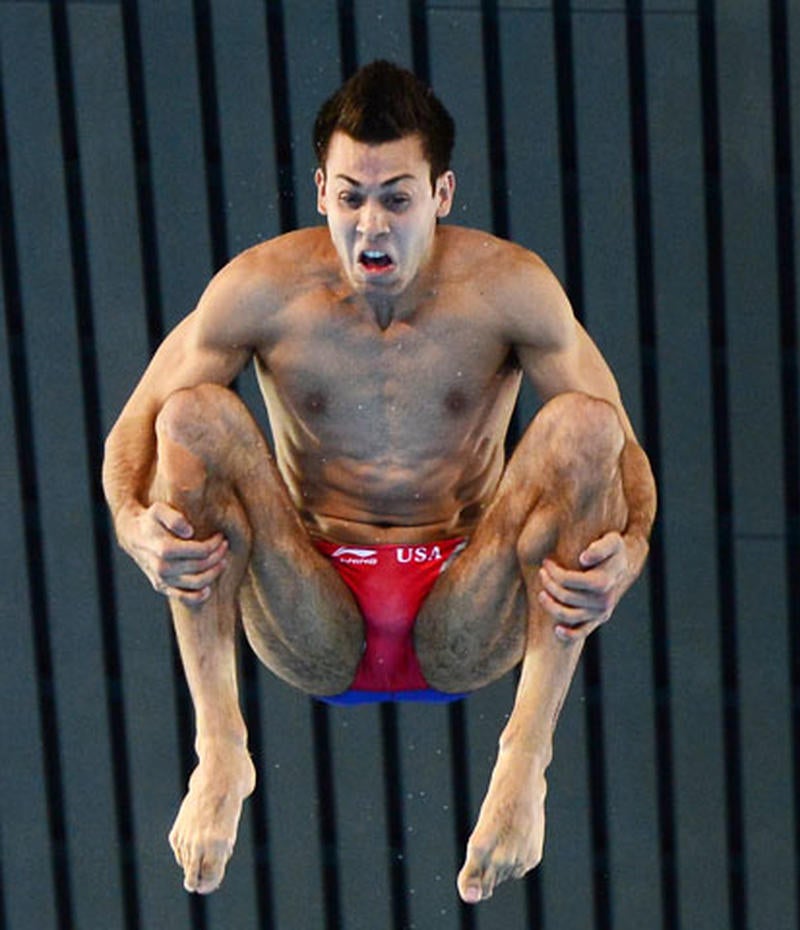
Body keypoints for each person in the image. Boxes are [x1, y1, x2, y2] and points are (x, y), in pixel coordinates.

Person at [101, 60, 655, 904]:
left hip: (467, 607)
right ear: (320, 189)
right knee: (189, 418)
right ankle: (220, 749)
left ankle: (526, 761)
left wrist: (634, 547)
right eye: (351, 197)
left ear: (441, 194)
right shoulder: (262, 289)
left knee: (585, 427)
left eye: (397, 197)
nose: (372, 225)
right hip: (311, 603)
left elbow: (622, 451)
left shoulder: (509, 288)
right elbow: (133, 433)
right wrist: (134, 526)